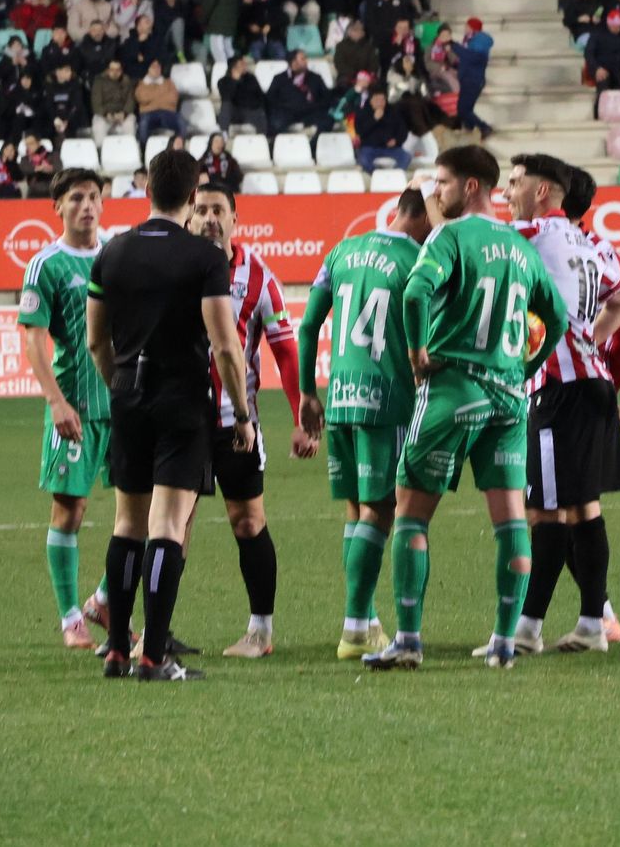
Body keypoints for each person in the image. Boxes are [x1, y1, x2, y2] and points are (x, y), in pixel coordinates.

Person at [362, 145, 569, 671]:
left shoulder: (450, 236)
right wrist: (526, 365)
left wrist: (417, 353)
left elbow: (415, 294)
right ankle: (503, 643)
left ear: (471, 185)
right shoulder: (521, 247)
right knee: (511, 519)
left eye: (443, 182)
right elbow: (558, 319)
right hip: (509, 399)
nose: (436, 192)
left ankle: (408, 640)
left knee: (410, 515)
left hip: (453, 388)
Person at [88, 150, 253, 683]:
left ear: (147, 191)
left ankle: (117, 650)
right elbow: (225, 346)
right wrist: (242, 413)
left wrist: (119, 384)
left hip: (127, 396)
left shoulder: (112, 251)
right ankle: (154, 656)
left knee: (126, 525)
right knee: (167, 526)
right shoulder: (204, 257)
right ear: (192, 196)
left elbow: (96, 340)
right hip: (181, 400)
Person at [491, 155, 620, 657]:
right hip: (593, 383)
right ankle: (590, 623)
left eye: (515, 182)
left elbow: (478, 240)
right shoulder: (586, 242)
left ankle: (529, 628)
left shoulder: (532, 234)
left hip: (560, 390)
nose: (506, 192)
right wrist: (589, 341)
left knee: (545, 513)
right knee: (581, 509)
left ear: (543, 191)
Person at [297, 188, 433, 658]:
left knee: (356, 512)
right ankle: (355, 627)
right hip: (388, 398)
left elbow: (307, 325)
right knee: (380, 511)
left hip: (340, 395)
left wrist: (307, 392)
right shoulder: (420, 260)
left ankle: (367, 618)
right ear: (422, 217)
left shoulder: (341, 250)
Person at [189, 183, 318, 658]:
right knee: (168, 526)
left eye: (218, 210)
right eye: (201, 210)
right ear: (188, 217)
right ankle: (150, 631)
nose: (209, 218)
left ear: (234, 219)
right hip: (180, 421)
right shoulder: (175, 269)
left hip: (235, 423)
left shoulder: (259, 276)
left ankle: (260, 632)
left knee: (248, 522)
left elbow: (285, 350)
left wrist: (300, 417)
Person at [17, 168, 114, 650]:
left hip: (125, 403)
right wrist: (56, 401)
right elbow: (33, 338)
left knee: (144, 509)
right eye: (76, 198)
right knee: (70, 510)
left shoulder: (117, 253)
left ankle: (105, 600)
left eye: (93, 196)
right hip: (76, 403)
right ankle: (72, 618)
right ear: (57, 206)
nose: (87, 206)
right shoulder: (46, 265)